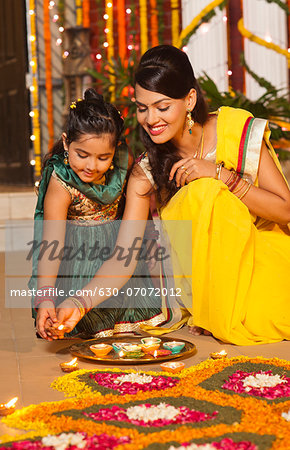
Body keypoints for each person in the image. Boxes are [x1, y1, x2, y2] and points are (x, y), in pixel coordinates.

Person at [52, 46, 290, 345]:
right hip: (201, 281)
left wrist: (220, 175)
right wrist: (79, 302)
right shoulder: (146, 171)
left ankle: (225, 307)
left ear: (189, 99)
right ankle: (213, 305)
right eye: (142, 108)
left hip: (260, 256)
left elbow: (285, 211)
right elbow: (123, 258)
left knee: (208, 189)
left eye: (162, 107)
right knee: (202, 193)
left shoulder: (235, 130)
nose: (151, 119)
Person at [31, 88, 166, 340]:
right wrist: (45, 297)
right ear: (65, 143)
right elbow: (52, 245)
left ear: (115, 150)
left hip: (117, 258)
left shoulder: (123, 168)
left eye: (103, 157)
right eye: (82, 155)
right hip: (78, 265)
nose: (91, 166)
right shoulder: (61, 183)